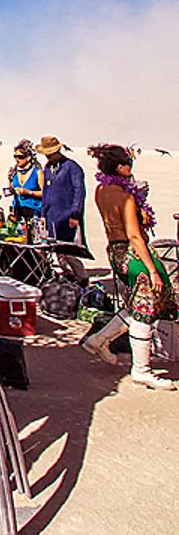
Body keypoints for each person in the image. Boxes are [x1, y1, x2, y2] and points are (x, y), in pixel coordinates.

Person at [82, 143, 177, 389]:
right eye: (128, 165)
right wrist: (153, 270)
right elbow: (134, 235)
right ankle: (142, 369)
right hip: (134, 254)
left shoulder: (101, 190)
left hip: (115, 251)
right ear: (121, 167)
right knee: (146, 307)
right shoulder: (124, 198)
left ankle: (99, 340)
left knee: (134, 304)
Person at [36, 135, 89, 282]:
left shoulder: (72, 168)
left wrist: (75, 214)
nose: (49, 156)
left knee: (69, 250)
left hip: (67, 215)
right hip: (51, 215)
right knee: (55, 250)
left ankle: (82, 278)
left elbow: (79, 192)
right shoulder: (48, 168)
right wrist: (43, 214)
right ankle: (67, 275)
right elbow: (46, 193)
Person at [7, 139, 43, 232]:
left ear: (28, 157)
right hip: (18, 211)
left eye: (20, 157)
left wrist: (29, 193)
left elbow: (45, 194)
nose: (17, 159)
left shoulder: (37, 172)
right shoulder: (13, 172)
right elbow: (11, 187)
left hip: (34, 211)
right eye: (15, 156)